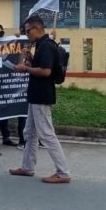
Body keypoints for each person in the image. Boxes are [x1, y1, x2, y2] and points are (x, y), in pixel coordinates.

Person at [9, 15, 71, 184]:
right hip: (36, 94)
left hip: (42, 96)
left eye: (28, 31)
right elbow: (39, 67)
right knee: (29, 132)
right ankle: (27, 167)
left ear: (37, 28)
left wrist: (25, 68)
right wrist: (29, 58)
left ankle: (63, 172)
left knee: (47, 134)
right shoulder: (41, 45)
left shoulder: (46, 46)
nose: (26, 34)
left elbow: (45, 71)